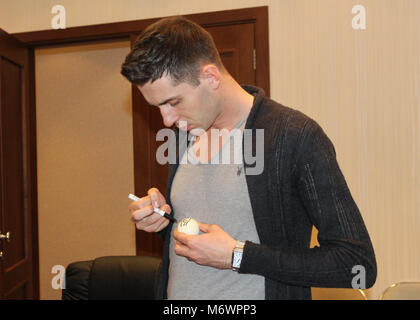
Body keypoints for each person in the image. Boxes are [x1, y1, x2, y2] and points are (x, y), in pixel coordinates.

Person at [121, 16, 377, 300]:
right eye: (158, 106)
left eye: (173, 102)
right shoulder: (184, 135)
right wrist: (164, 222)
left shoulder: (293, 136)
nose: (166, 120)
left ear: (210, 77)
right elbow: (203, 241)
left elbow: (355, 263)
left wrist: (238, 255)